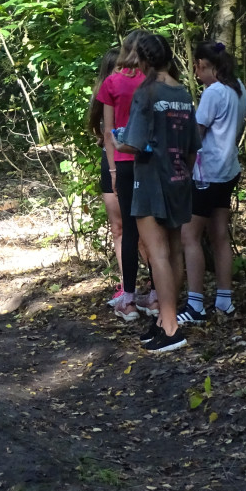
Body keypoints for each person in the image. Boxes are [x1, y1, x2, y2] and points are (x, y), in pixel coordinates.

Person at [114, 33, 199, 353]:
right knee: (174, 251)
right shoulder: (182, 91)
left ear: (145, 59)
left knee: (158, 254)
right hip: (179, 177)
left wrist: (120, 141)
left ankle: (171, 327)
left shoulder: (146, 91)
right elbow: (193, 145)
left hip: (150, 180)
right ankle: (166, 320)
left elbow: (133, 142)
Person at [178, 41, 246, 325]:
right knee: (219, 234)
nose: (196, 73)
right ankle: (224, 298)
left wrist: (181, 161)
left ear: (209, 66)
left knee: (189, 236)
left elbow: (197, 133)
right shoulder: (239, 88)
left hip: (206, 173)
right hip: (228, 170)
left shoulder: (214, 92)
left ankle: (195, 304)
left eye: (198, 67)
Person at [96, 29, 155, 321]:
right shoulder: (154, 81)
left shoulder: (111, 82)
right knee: (153, 229)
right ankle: (156, 295)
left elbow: (108, 133)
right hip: (151, 160)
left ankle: (129, 299)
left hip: (124, 161)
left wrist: (114, 170)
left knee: (130, 231)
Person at [87, 47, 126, 307]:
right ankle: (127, 285)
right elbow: (100, 131)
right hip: (108, 160)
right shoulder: (102, 96)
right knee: (118, 226)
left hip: (131, 161)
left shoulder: (134, 91)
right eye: (116, 69)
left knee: (141, 228)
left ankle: (152, 285)